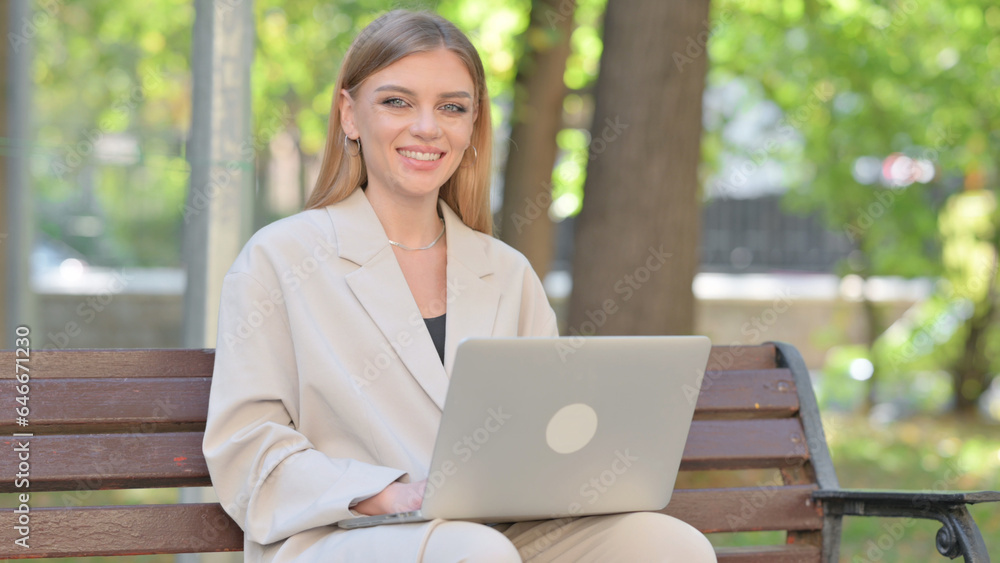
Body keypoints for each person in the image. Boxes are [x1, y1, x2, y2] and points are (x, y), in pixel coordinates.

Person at [202, 9, 717, 563]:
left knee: (669, 544)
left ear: (472, 126)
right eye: (397, 102)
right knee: (473, 553)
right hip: (342, 535)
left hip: (497, 530)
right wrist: (384, 493)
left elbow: (544, 430)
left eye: (452, 107)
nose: (428, 127)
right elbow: (248, 446)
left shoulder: (507, 272)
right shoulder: (280, 259)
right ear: (349, 114)